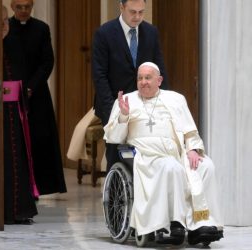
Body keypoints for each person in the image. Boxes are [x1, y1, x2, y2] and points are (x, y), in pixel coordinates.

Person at [104, 62, 224, 245]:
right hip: (146, 157)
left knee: (206, 165)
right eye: (140, 78)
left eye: (148, 78)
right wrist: (123, 116)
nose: (143, 82)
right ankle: (175, 224)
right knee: (171, 167)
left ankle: (201, 225)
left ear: (159, 80)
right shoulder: (126, 100)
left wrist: (192, 148)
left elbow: (189, 130)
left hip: (177, 153)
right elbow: (114, 137)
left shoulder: (176, 99)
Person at [92, 0, 168, 172]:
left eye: (141, 12)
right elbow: (99, 75)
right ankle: (115, 196)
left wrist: (165, 100)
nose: (137, 17)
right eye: (132, 12)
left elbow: (159, 69)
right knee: (116, 154)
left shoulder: (150, 32)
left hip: (144, 104)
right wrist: (112, 110)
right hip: (113, 103)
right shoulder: (104, 33)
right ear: (121, 7)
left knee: (145, 152)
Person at [4, 0, 67, 195]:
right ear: (13, 7)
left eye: (27, 7)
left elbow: (47, 61)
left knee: (40, 138)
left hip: (37, 93)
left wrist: (31, 87)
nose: (23, 11)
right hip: (12, 91)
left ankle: (40, 187)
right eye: (19, 7)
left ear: (32, 7)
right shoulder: (6, 27)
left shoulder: (41, 28)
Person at [2, 4, 38, 225]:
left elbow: (22, 74)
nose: (3, 26)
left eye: (5, 21)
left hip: (15, 109)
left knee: (18, 159)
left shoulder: (14, 43)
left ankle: (19, 210)